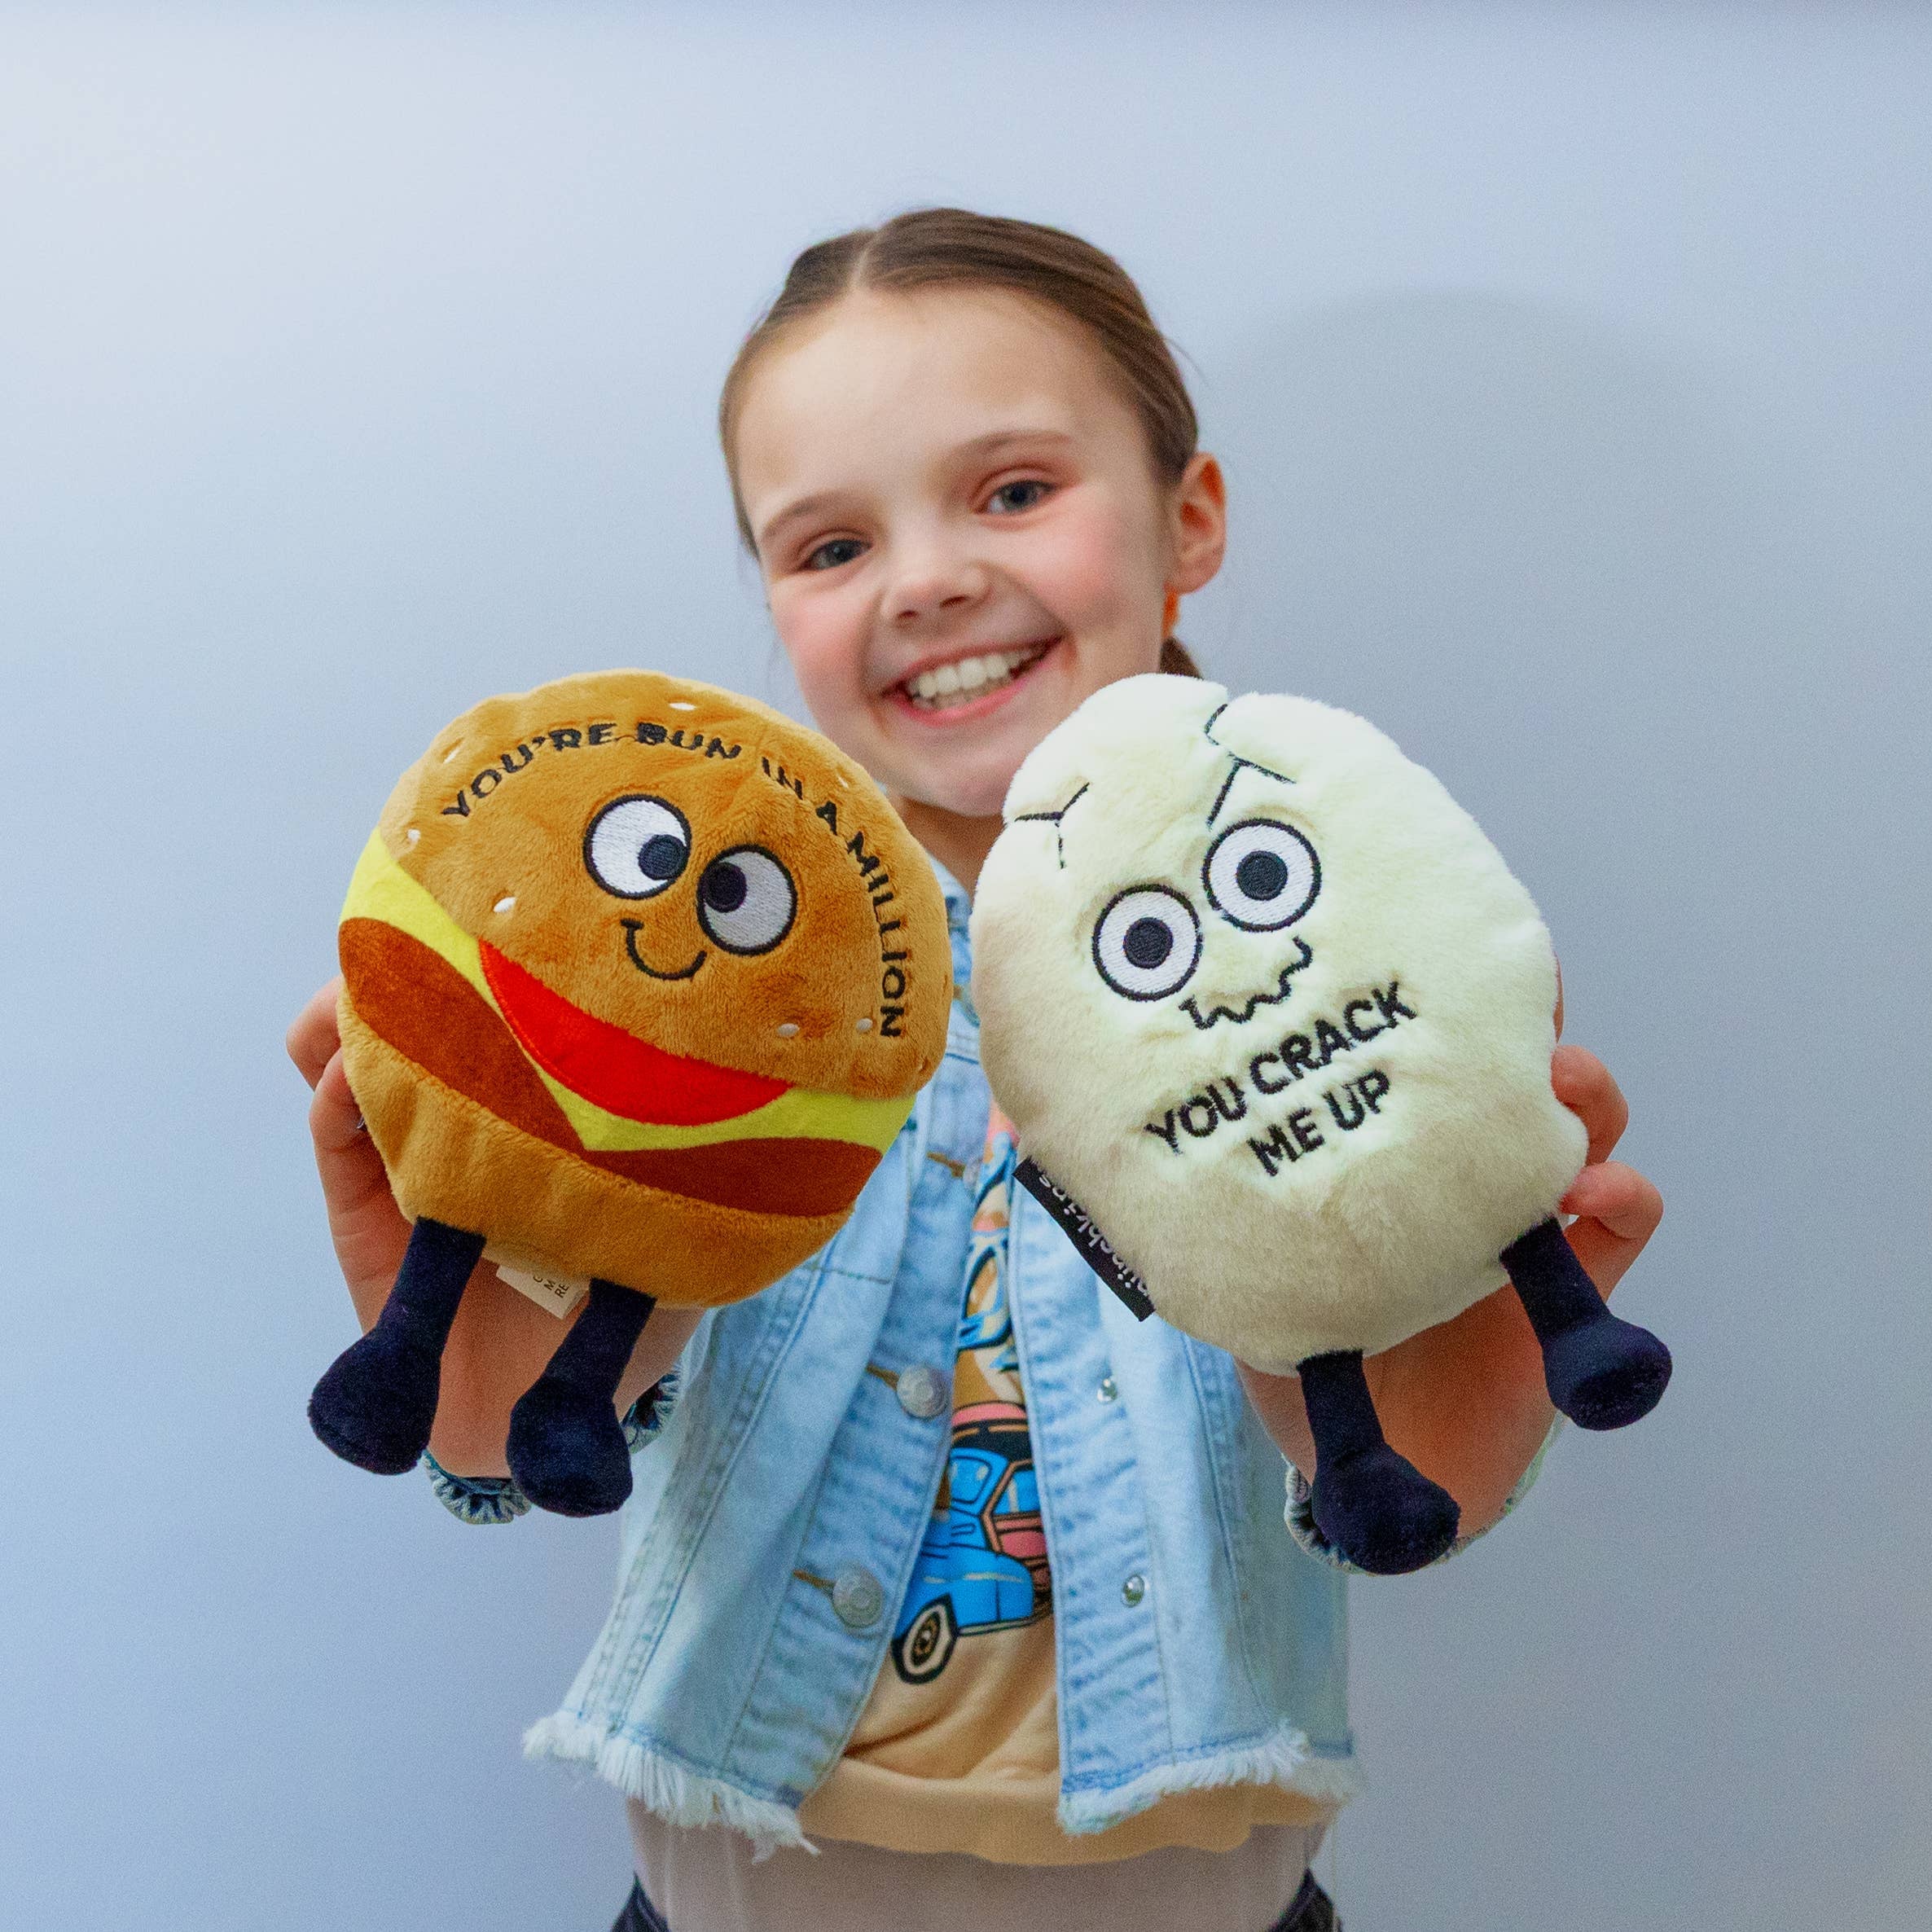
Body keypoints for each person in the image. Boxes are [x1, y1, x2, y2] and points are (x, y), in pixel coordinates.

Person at [286, 208, 1662, 1932]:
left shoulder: (1340, 946)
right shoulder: (704, 993)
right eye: (829, 543)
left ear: (1189, 517)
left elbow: (1403, 1490)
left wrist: (1443, 1385)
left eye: (1012, 490)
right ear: (774, 600)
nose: (925, 579)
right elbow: (517, 1442)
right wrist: (474, 1361)